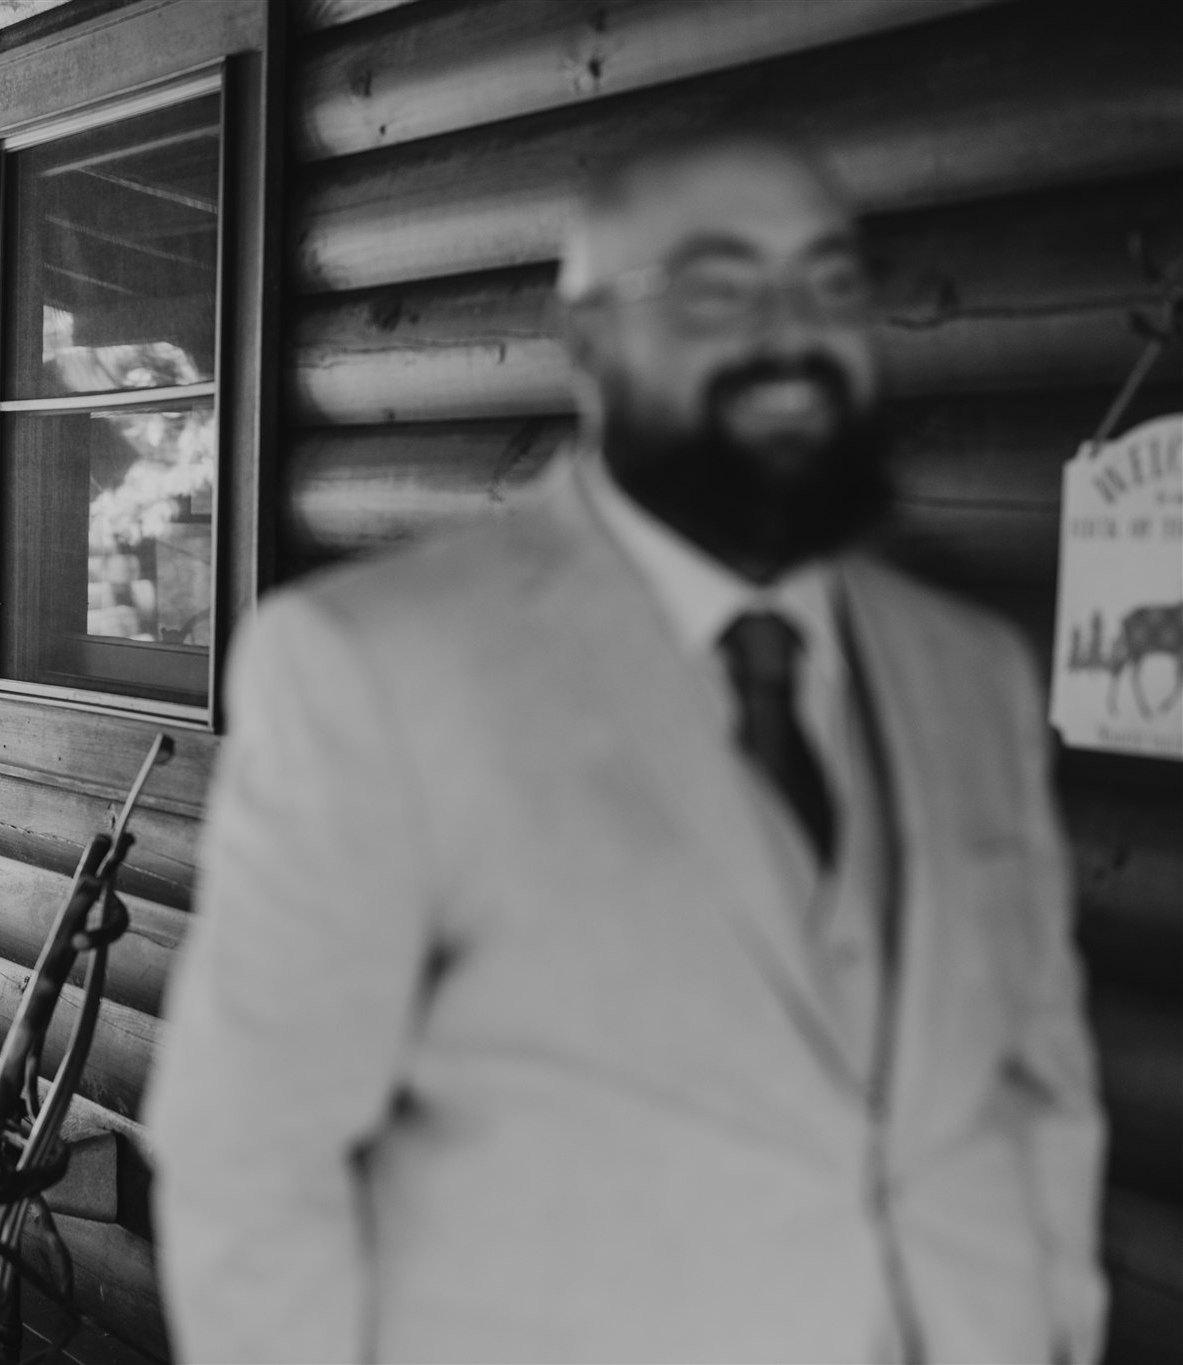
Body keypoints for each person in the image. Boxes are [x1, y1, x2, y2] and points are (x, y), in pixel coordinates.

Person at [145, 131, 1104, 1364]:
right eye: (715, 289)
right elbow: (251, 1158)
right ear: (588, 342)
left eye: (827, 286)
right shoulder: (370, 668)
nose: (788, 336)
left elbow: (1037, 1078)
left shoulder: (966, 671)